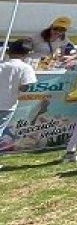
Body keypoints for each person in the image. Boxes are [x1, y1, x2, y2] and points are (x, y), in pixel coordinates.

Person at [1, 40, 38, 169]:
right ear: (26, 54)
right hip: (7, 104)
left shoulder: (2, 65)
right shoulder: (25, 67)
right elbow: (24, 87)